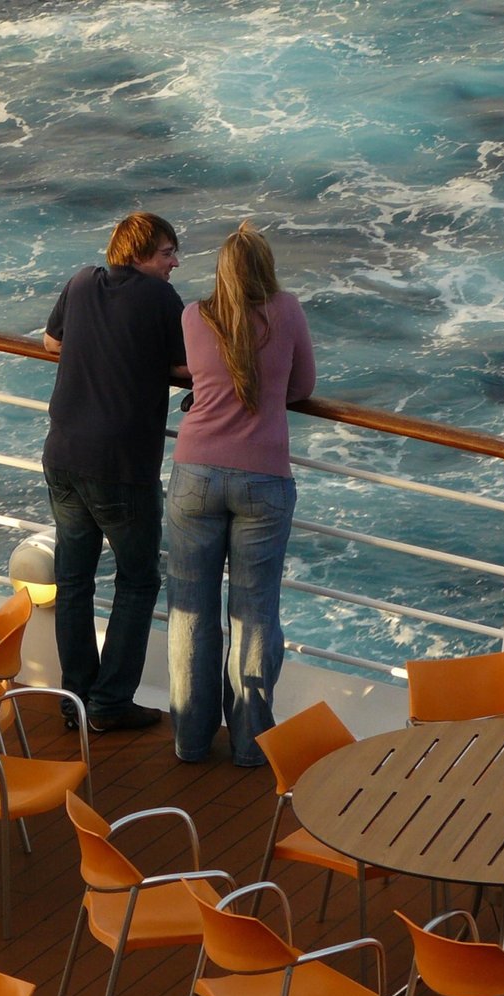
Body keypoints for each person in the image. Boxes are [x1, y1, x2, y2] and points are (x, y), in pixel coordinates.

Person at [167, 222, 316, 766]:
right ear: (266, 268)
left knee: (190, 612)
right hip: (263, 479)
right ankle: (250, 745)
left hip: (195, 474)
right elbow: (302, 387)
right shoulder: (287, 310)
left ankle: (190, 739)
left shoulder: (194, 315)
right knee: (253, 616)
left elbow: (204, 375)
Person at [42, 212, 184, 732]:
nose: (175, 263)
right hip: (121, 464)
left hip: (63, 456)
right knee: (138, 580)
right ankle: (109, 703)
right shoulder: (160, 298)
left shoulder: (81, 282)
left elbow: (51, 342)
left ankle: (74, 699)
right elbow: (191, 367)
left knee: (74, 580)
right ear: (141, 253)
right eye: (167, 252)